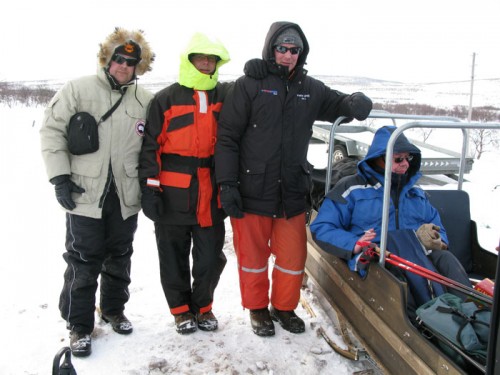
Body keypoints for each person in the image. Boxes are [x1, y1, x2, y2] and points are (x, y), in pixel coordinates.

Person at [214, 21, 373, 337]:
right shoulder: (250, 85)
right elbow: (227, 138)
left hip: (291, 192)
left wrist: (356, 101)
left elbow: (338, 104)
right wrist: (227, 184)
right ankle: (258, 309)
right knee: (253, 258)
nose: (288, 55)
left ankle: (283, 307)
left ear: (302, 53)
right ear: (271, 49)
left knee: (292, 257)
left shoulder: (310, 88)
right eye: (282, 48)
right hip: (251, 189)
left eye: (294, 50)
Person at [40, 27, 154, 357]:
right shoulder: (77, 89)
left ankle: (114, 309)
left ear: (138, 66)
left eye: (130, 62)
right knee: (84, 260)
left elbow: (152, 146)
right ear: (107, 58)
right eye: (118, 58)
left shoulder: (144, 100)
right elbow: (51, 132)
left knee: (120, 255)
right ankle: (79, 325)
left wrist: (150, 186)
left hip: (125, 193)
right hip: (84, 192)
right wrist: (60, 177)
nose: (123, 66)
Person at [310, 125, 472, 320]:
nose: (404, 164)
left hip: (417, 255)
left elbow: (437, 227)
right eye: (398, 159)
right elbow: (322, 227)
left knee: (447, 260)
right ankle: (423, 325)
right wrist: (354, 244)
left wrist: (435, 239)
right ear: (378, 159)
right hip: (378, 258)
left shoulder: (416, 194)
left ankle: (470, 314)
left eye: (408, 158)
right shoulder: (352, 189)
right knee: (398, 279)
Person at [138, 32, 231, 335]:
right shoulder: (165, 99)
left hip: (211, 193)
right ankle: (181, 311)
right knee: (173, 256)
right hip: (171, 195)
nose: (206, 63)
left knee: (210, 257)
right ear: (188, 60)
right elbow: (150, 147)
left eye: (212, 58)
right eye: (200, 57)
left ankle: (203, 307)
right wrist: (149, 189)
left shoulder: (224, 96)